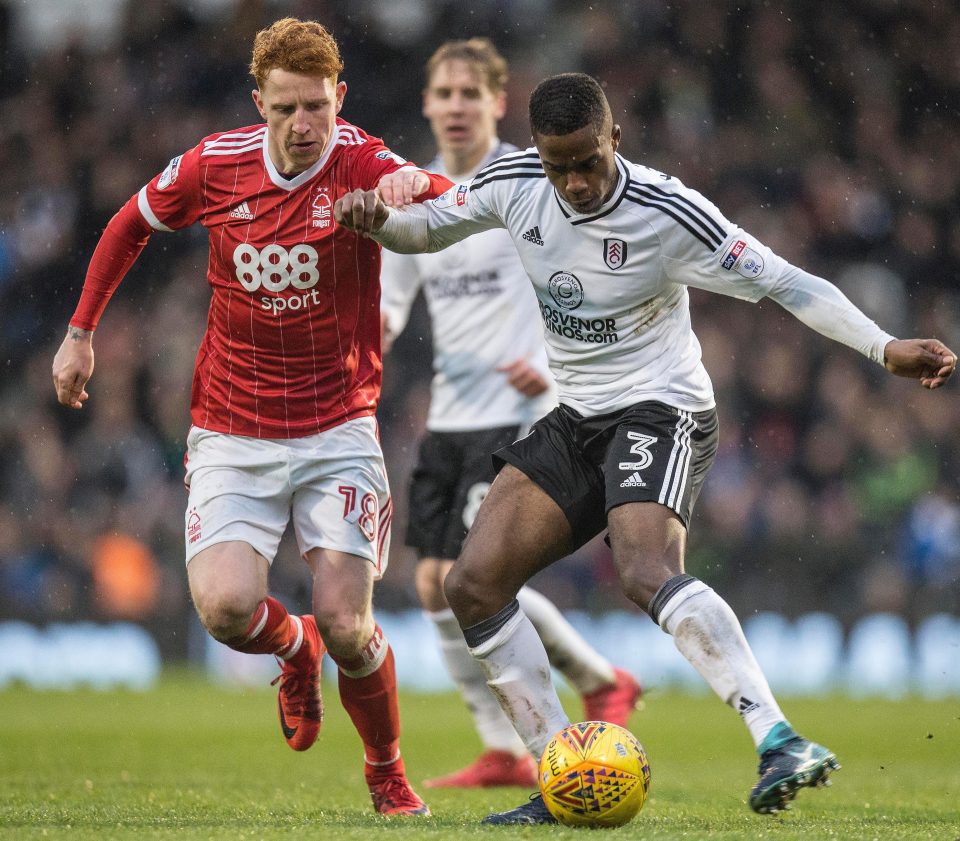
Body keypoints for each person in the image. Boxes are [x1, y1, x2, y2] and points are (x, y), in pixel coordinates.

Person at [335, 71, 957, 822]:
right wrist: (374, 219)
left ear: (615, 139)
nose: (576, 181)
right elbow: (424, 229)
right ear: (537, 151)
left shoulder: (668, 213)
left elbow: (788, 283)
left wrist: (882, 345)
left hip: (663, 408)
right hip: (577, 418)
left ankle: (778, 736)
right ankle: (563, 775)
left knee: (644, 567)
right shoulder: (514, 182)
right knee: (471, 585)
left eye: (589, 160)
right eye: (559, 164)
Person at [51, 18, 453, 817]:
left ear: (340, 97)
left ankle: (386, 771)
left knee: (347, 619)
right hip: (233, 427)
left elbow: (426, 188)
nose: (304, 126)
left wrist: (414, 190)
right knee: (228, 610)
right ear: (258, 103)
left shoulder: (358, 159)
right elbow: (129, 223)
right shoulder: (215, 164)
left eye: (317, 107)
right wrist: (80, 331)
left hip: (338, 426)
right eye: (285, 110)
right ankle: (291, 648)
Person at [379, 39, 641, 789]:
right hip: (452, 415)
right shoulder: (416, 193)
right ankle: (513, 736)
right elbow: (391, 304)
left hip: (526, 409)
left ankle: (590, 683)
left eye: (471, 93)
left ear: (498, 102)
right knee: (433, 583)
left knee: (470, 575)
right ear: (427, 104)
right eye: (444, 93)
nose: (457, 106)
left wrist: (559, 365)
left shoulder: (530, 178)